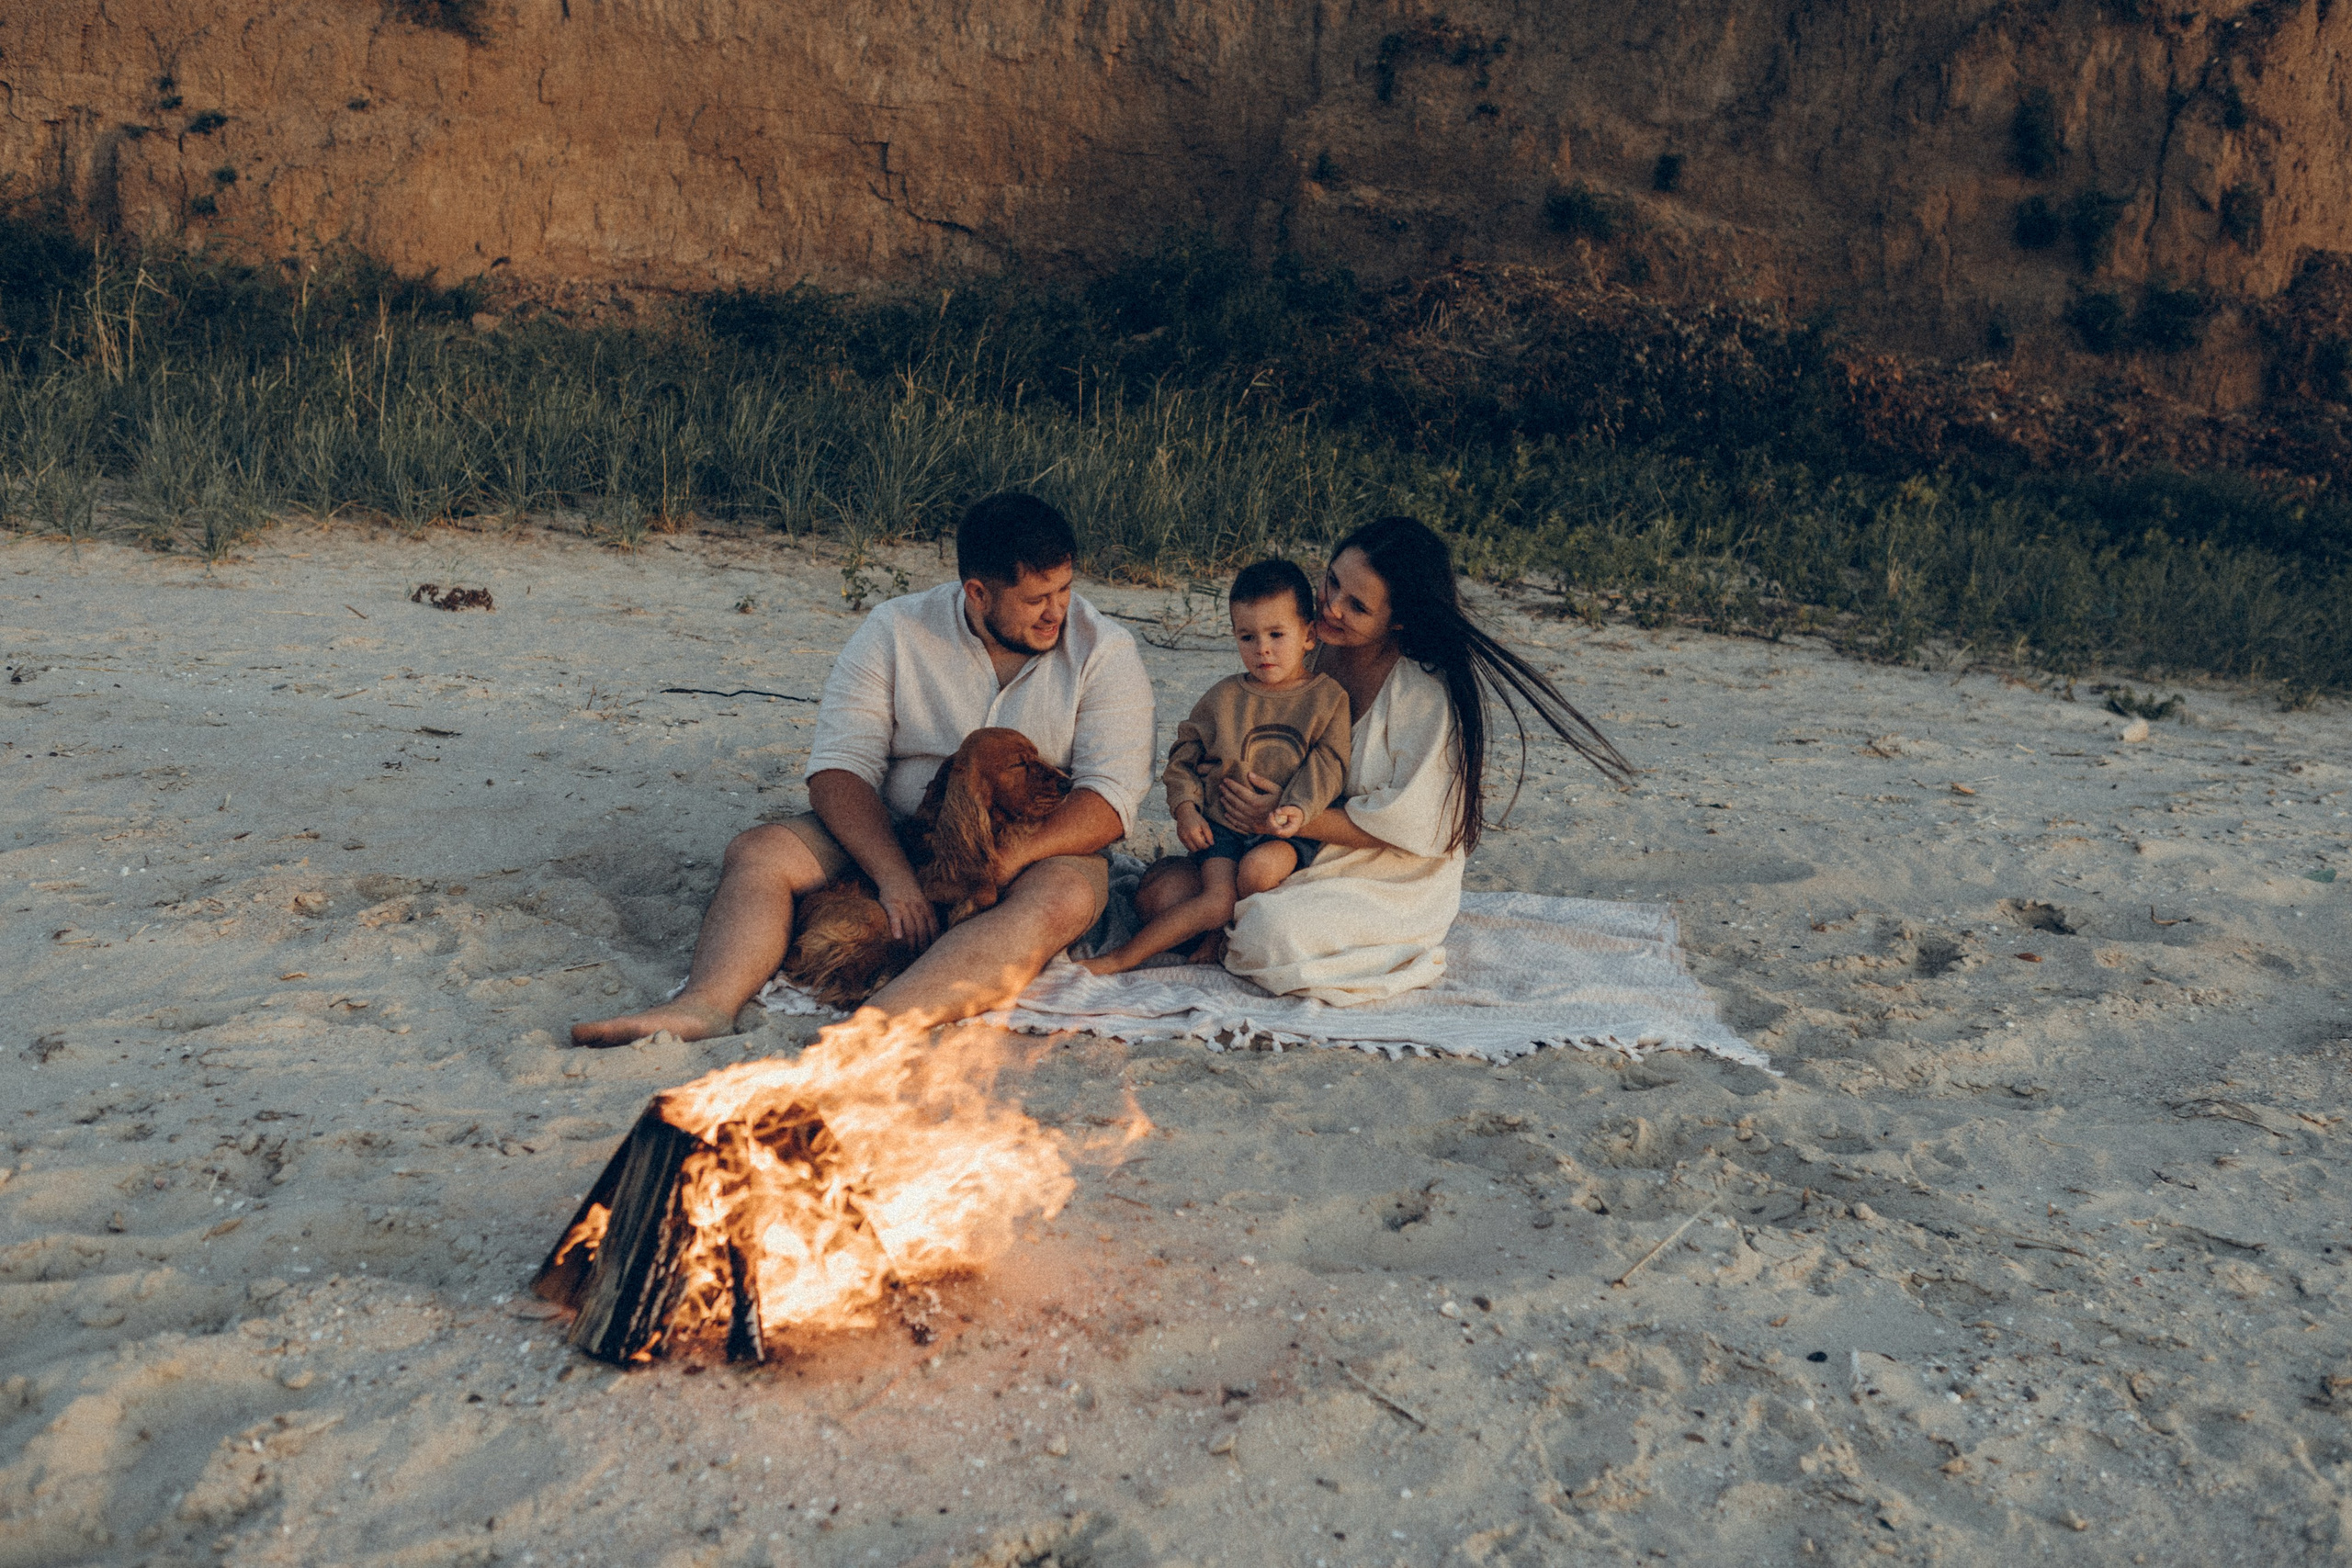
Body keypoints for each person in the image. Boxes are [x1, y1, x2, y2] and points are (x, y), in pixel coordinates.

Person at [571, 492, 1155, 1043]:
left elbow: (1110, 797)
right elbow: (838, 770)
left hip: (1035, 846)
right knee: (760, 852)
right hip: (897, 827)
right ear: (977, 592)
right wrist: (896, 878)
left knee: (1060, 902)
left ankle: (874, 1029)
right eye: (1035, 600)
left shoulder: (1104, 649)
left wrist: (1001, 865)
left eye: (1065, 591)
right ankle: (704, 1005)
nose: (1057, 612)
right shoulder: (896, 628)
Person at [1132, 516, 1632, 1005]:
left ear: (1397, 619)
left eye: (1357, 605)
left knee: (1270, 934)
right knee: (1156, 897)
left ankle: (1234, 919)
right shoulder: (1307, 651)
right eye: (1331, 583)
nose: (1329, 607)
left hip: (1387, 866)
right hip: (1280, 841)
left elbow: (1415, 828)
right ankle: (1227, 907)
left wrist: (1284, 814)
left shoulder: (1422, 694)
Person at [1078, 558, 1349, 976]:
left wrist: (1298, 807)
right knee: (1215, 898)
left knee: (1259, 872)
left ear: (1308, 635)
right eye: (1248, 636)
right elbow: (1184, 755)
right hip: (1223, 827)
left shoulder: (1327, 698)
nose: (1262, 648)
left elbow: (1329, 762)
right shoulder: (1222, 698)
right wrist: (1185, 808)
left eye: (1277, 634)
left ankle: (1221, 937)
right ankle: (1122, 958)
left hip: (1285, 830)